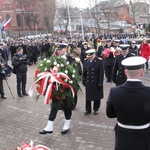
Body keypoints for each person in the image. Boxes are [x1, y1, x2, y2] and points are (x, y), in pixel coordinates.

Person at [106, 56, 150, 150]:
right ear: (141, 73)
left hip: (123, 134)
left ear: (125, 73)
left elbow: (110, 114)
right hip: (144, 134)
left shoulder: (115, 91)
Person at [39, 43, 77, 135]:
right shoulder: (54, 59)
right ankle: (49, 126)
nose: (59, 51)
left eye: (61, 49)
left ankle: (67, 124)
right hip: (56, 87)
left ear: (65, 49)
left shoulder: (71, 59)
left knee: (67, 106)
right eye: (58, 49)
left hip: (66, 87)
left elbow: (75, 73)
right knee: (54, 106)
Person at [82, 49, 104, 115]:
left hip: (96, 81)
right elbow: (84, 72)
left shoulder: (99, 61)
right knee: (88, 96)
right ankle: (88, 110)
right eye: (89, 57)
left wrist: (100, 82)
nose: (90, 58)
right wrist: (83, 80)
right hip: (88, 82)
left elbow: (101, 73)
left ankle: (96, 109)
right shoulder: (86, 61)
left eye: (91, 57)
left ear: (94, 54)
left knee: (97, 96)